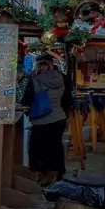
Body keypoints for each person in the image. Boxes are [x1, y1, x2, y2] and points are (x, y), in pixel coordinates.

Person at [20, 54, 68, 184]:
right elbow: (68, 99)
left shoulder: (34, 80)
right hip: (59, 118)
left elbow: (26, 101)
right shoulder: (63, 78)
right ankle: (56, 174)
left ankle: (39, 175)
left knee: (37, 148)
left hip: (41, 120)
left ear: (40, 66)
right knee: (56, 146)